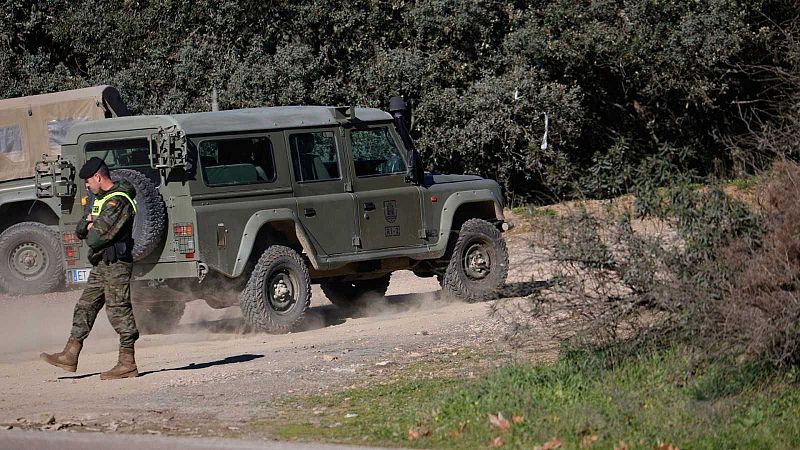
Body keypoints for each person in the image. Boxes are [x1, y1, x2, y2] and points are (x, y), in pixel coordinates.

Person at [40, 157, 140, 380]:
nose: (86, 185)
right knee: (85, 306)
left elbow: (95, 238)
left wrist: (91, 226)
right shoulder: (101, 199)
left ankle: (127, 363)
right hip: (102, 264)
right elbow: (80, 230)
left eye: (88, 181)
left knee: (119, 310)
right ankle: (70, 354)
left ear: (98, 177)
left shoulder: (118, 201)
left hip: (117, 264)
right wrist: (89, 223)